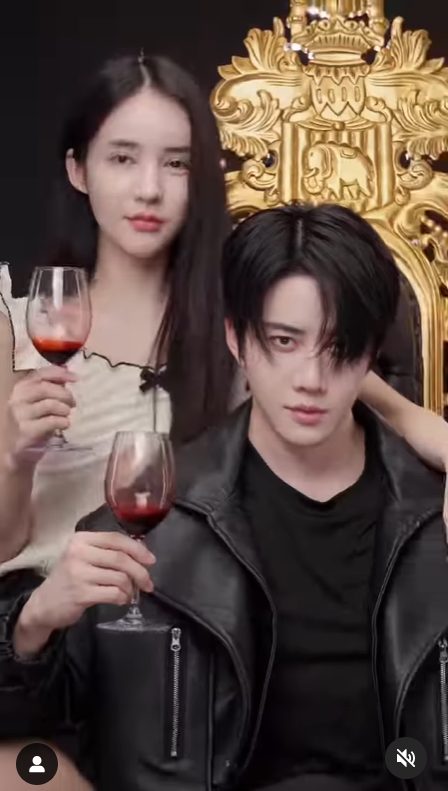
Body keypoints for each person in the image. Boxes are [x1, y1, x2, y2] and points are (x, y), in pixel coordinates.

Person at [2, 203, 447, 791]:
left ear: (369, 357)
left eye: (339, 348)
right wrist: (30, 626)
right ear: (237, 338)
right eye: (284, 341)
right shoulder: (146, 521)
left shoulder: (431, 514)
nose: (311, 379)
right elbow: (40, 728)